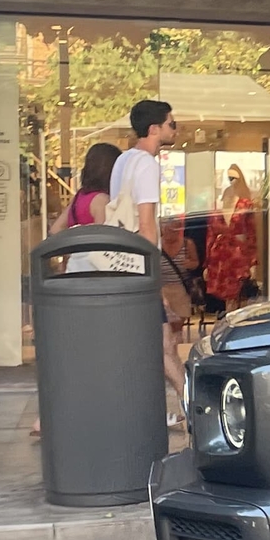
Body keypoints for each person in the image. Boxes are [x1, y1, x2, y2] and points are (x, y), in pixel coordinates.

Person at [110, 99, 187, 424]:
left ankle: (156, 410)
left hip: (120, 266)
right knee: (165, 344)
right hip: (139, 268)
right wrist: (154, 282)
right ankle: (195, 408)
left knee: (150, 346)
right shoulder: (146, 164)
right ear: (154, 129)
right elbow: (146, 224)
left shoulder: (122, 161)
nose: (175, 129)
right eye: (172, 124)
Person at [203, 164, 260, 310]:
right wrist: (207, 264)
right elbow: (210, 235)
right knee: (224, 295)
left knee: (239, 292)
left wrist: (253, 261)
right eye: (228, 178)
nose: (231, 181)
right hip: (220, 256)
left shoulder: (245, 204)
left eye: (234, 178)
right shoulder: (216, 206)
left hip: (239, 255)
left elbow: (252, 234)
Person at [59, 142, 121, 274]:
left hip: (74, 270)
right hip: (94, 273)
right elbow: (104, 242)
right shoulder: (102, 200)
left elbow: (55, 229)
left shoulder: (79, 198)